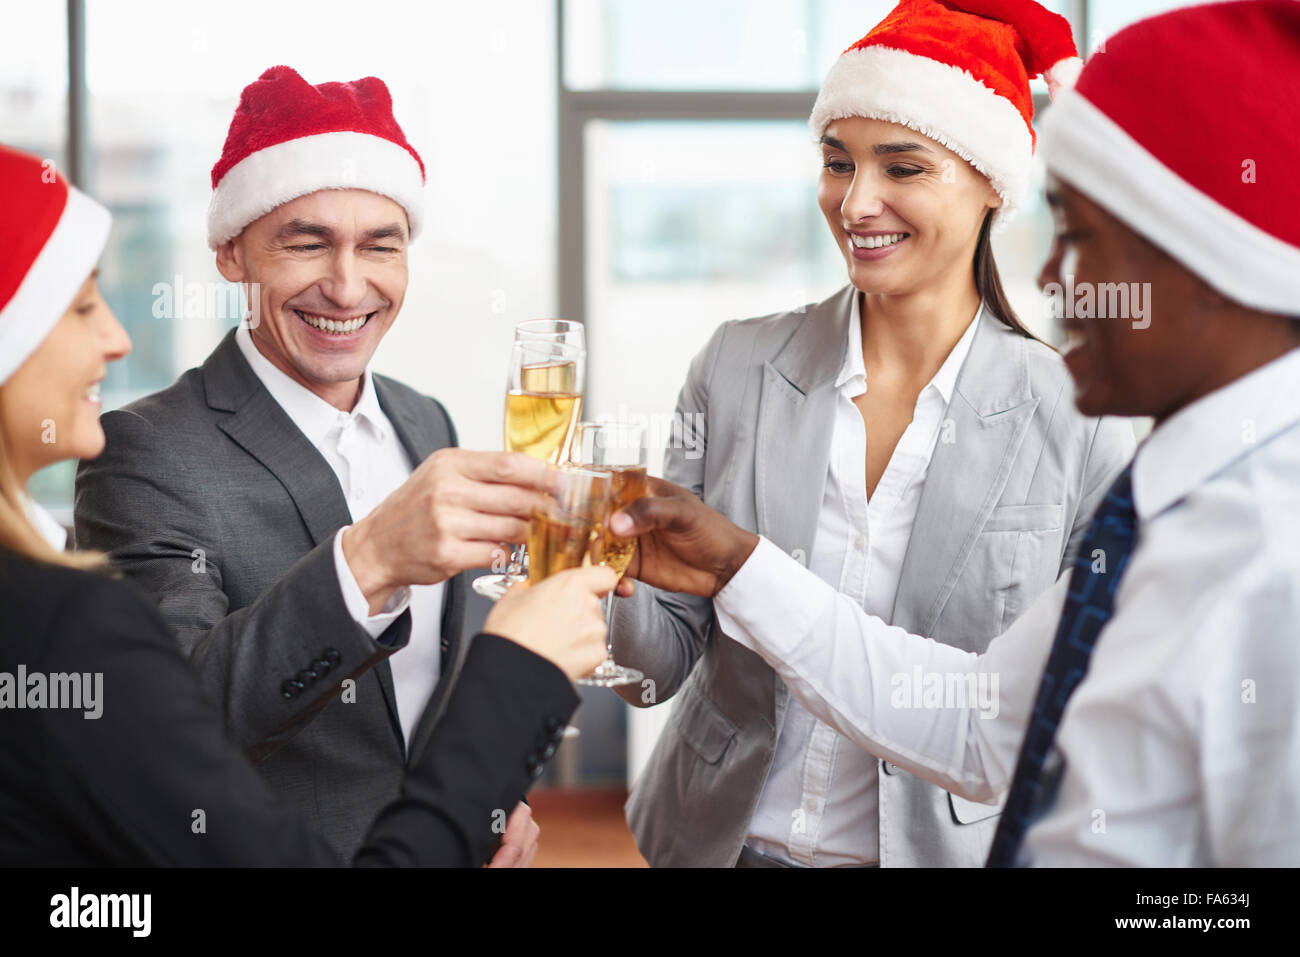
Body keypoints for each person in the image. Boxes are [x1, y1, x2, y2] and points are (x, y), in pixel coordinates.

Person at [611, 0, 1300, 865]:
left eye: (1081, 238)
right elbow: (977, 722)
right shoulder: (1172, 505)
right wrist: (713, 565)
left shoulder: (1244, 528)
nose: (1054, 275)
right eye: (837, 162)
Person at [0, 142, 617, 865]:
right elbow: (164, 728)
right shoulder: (144, 449)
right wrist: (368, 561)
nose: (348, 287)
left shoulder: (427, 422)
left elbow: (418, 703)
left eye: (379, 246)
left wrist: (482, 801)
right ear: (232, 254)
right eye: (307, 243)